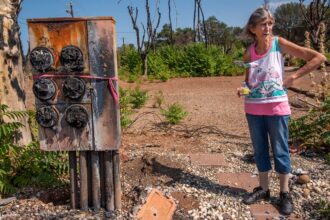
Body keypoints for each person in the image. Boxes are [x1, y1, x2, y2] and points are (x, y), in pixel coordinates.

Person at [238, 7, 326, 215]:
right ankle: (264, 189)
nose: (268, 27)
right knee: (260, 150)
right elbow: (248, 82)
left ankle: (284, 193)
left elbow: (318, 57)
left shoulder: (279, 44)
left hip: (277, 108)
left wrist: (294, 76)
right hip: (253, 109)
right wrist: (243, 89)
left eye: (270, 23)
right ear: (253, 28)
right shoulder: (249, 51)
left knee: (280, 150)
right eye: (263, 24)